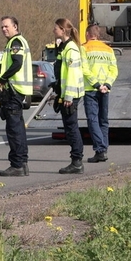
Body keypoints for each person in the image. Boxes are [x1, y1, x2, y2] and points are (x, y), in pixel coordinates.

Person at [0, 16, 33, 177]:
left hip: (14, 89)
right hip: (18, 90)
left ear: (15, 26)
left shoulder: (16, 42)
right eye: (2, 27)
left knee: (13, 129)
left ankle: (17, 164)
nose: (4, 29)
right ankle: (22, 163)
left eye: (7, 26)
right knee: (18, 128)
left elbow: (17, 63)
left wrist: (3, 78)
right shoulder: (17, 41)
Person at [82, 24, 118, 163]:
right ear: (98, 35)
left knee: (93, 120)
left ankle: (100, 150)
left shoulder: (84, 48)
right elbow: (114, 70)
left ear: (87, 34)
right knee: (103, 120)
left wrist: (97, 85)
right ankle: (104, 149)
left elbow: (85, 69)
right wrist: (107, 85)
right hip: (105, 90)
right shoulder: (108, 49)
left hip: (91, 89)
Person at [53, 18, 85, 174]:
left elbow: (72, 74)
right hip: (65, 93)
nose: (54, 31)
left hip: (70, 95)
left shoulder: (71, 49)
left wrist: (69, 97)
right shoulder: (65, 47)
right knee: (69, 127)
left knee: (72, 128)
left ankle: (77, 162)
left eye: (56, 28)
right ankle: (76, 161)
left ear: (63, 30)